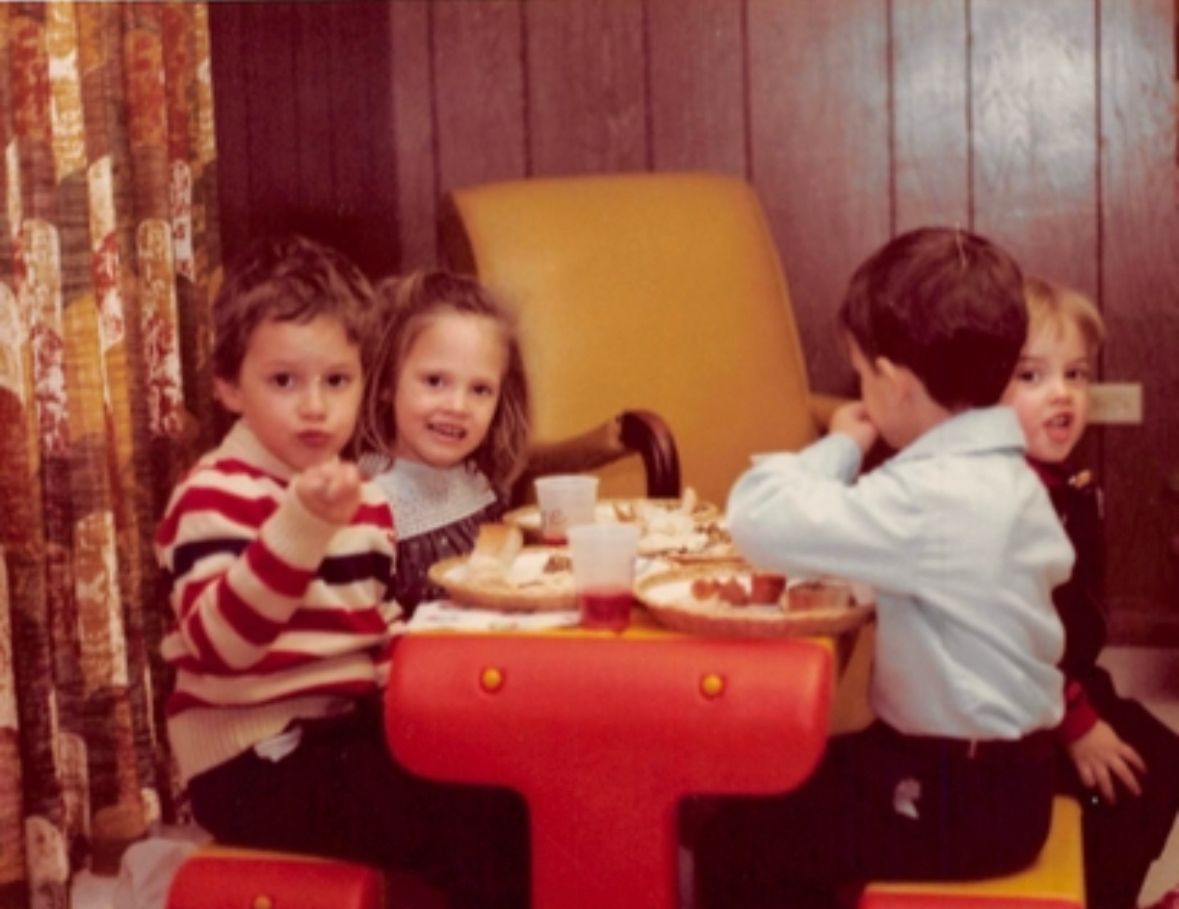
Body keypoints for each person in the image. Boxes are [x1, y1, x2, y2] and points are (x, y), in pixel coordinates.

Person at [693, 227, 1074, 908]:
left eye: (864, 376)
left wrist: (841, 445)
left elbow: (756, 515)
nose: (862, 393)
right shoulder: (1004, 475)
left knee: (741, 837)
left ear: (895, 386)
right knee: (776, 782)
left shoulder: (929, 496)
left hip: (961, 799)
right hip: (1002, 777)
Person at [154, 235, 528, 907]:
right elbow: (222, 645)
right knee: (474, 823)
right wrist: (300, 525)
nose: (315, 406)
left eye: (336, 380)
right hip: (250, 759)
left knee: (507, 780)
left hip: (335, 735)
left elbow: (373, 630)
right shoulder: (214, 492)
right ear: (229, 386)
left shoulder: (364, 500)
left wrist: (447, 687)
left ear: (364, 381)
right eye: (283, 381)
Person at [1002, 276, 1179, 909]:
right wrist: (1078, 723)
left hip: (1062, 678)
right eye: (1031, 375)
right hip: (1017, 710)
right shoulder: (1006, 496)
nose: (1063, 393)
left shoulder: (1054, 481)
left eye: (1076, 374)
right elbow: (1012, 636)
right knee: (1132, 775)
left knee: (1158, 755)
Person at [355, 269, 530, 614]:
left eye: (480, 389)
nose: (457, 406)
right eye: (435, 381)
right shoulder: (366, 501)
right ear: (388, 382)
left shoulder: (480, 484)